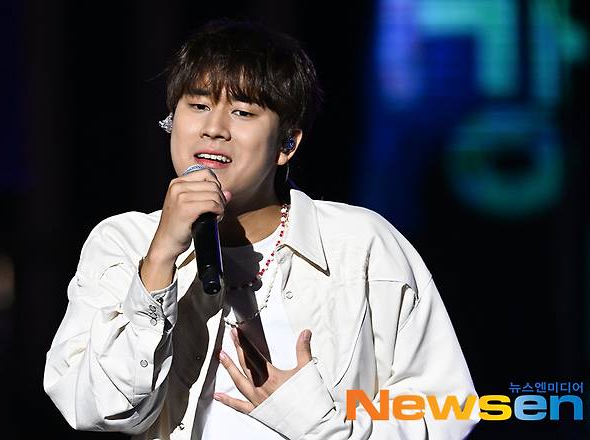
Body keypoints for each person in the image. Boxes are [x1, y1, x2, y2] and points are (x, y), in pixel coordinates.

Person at [43, 19, 479, 439]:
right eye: (198, 106)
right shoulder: (123, 243)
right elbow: (98, 410)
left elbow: (447, 412)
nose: (214, 129)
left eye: (242, 112)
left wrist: (313, 422)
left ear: (287, 144)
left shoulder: (360, 245)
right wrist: (159, 263)